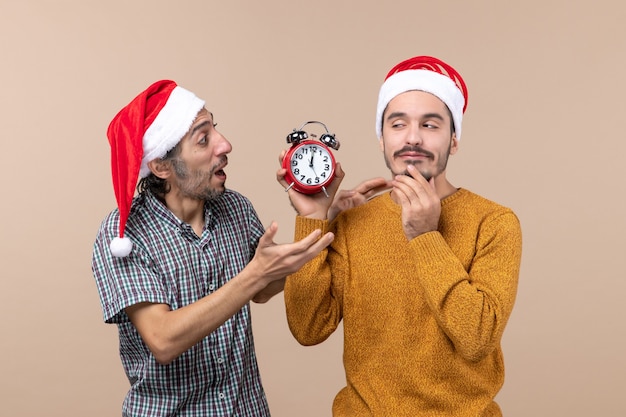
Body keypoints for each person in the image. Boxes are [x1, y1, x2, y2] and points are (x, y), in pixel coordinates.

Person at [276, 56, 523, 416]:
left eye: (431, 124)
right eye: (397, 123)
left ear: (454, 140)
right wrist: (315, 219)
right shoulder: (353, 221)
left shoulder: (495, 222)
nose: (412, 137)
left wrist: (425, 237)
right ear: (381, 139)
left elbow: (476, 339)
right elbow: (308, 328)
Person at [92, 79, 334, 417]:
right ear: (162, 166)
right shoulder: (124, 234)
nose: (225, 145)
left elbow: (262, 288)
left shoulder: (235, 207)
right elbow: (163, 340)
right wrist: (255, 274)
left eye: (215, 130)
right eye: (203, 139)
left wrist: (323, 219)